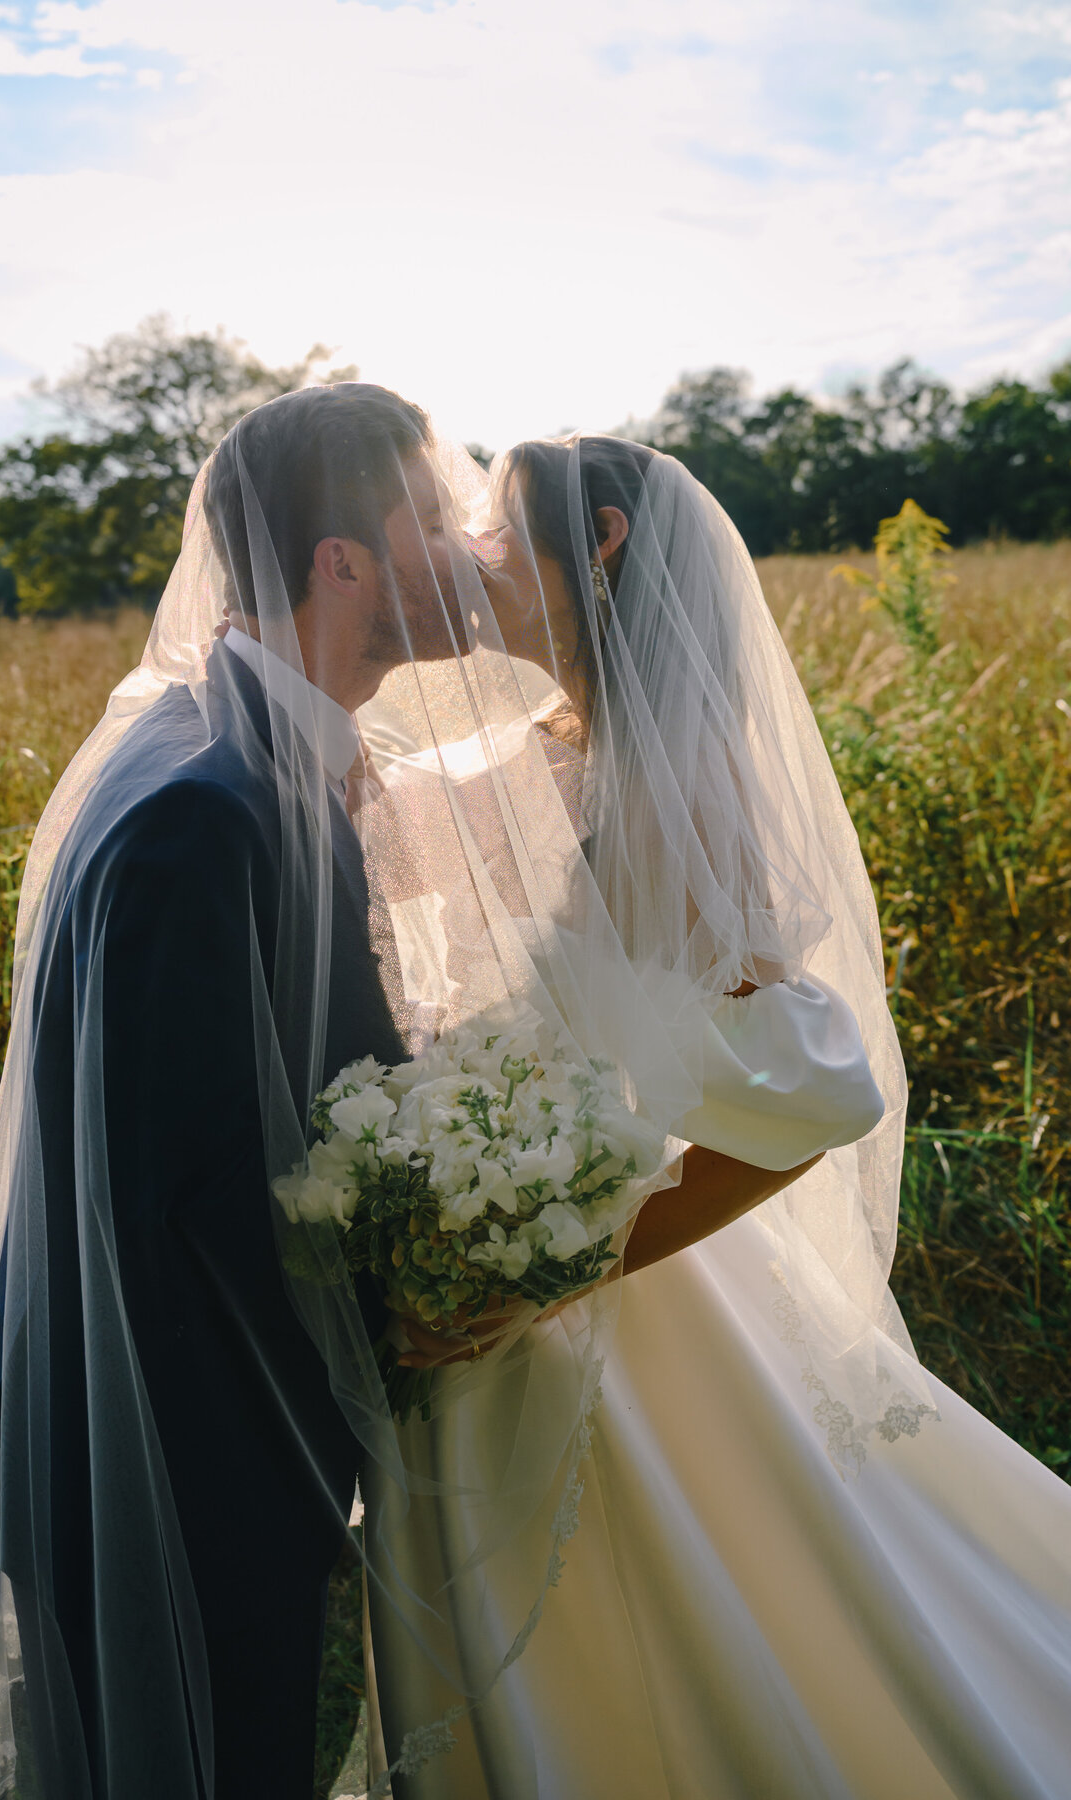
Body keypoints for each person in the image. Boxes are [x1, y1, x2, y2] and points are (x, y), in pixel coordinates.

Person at [357, 436, 1071, 1798]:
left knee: (736, 1614)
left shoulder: (689, 793)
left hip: (611, 1285)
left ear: (603, 542)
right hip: (503, 1246)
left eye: (497, 534)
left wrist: (565, 1264)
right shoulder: (531, 753)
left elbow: (814, 1097)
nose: (466, 561)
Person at [0, 382, 473, 1800]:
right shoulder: (201, 813)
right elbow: (198, 1199)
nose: (463, 547)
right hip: (173, 1472)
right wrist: (447, 1285)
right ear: (341, 564)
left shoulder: (224, 753)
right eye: (429, 519)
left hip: (192, 1453)